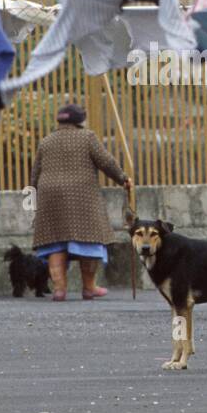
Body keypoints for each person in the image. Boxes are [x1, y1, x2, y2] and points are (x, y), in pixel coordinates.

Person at [29, 103, 132, 301]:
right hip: (81, 195)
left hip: (49, 195)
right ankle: (89, 287)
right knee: (88, 240)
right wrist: (123, 179)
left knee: (55, 243)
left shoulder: (46, 141)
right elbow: (106, 161)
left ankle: (59, 290)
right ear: (80, 121)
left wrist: (34, 201)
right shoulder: (87, 137)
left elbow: (35, 174)